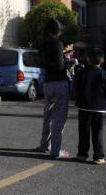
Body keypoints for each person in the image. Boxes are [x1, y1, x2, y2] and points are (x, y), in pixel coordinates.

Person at [34, 19, 71, 159]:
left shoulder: (42, 44)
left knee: (48, 116)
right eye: (59, 31)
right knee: (59, 118)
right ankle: (55, 151)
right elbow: (60, 67)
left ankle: (44, 145)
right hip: (60, 82)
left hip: (47, 83)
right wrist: (68, 60)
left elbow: (43, 63)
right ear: (56, 31)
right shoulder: (58, 43)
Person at [75, 48, 106, 165]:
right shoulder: (104, 74)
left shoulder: (83, 72)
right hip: (99, 106)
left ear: (88, 59)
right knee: (97, 132)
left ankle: (82, 154)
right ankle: (98, 156)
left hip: (84, 105)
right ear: (102, 60)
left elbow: (77, 87)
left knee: (84, 132)